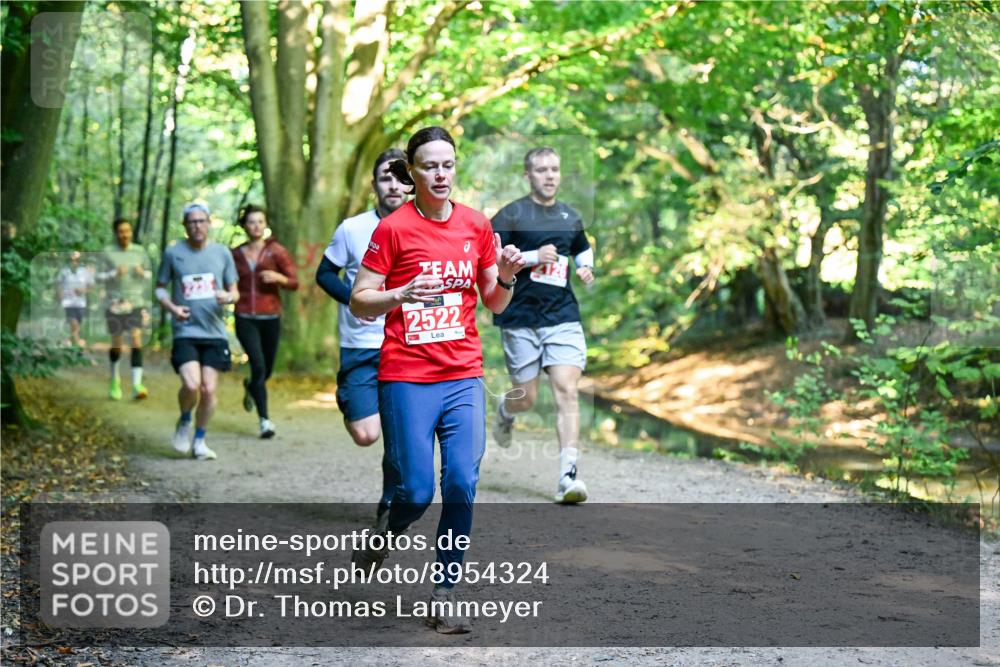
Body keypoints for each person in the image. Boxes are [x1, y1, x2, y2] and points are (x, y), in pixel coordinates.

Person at [349, 126, 524, 634]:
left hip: (463, 374)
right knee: (417, 491)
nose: (440, 174)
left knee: (463, 482)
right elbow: (360, 300)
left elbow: (495, 302)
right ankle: (387, 531)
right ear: (412, 171)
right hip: (406, 376)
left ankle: (444, 594)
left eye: (448, 164)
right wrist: (400, 293)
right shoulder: (393, 229)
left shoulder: (476, 225)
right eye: (429, 166)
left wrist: (506, 275)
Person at [491, 146, 596, 504]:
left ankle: (568, 477)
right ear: (528, 175)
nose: (550, 176)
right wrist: (533, 257)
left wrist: (586, 267)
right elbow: (488, 257)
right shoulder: (512, 214)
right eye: (541, 170)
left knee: (567, 389)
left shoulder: (570, 216)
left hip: (561, 315)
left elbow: (581, 247)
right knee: (527, 397)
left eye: (554, 169)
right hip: (519, 317)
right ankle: (506, 410)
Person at [316, 148, 407, 526]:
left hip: (405, 345)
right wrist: (354, 302)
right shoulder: (352, 229)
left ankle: (388, 502)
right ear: (374, 185)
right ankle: (351, 398)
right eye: (386, 177)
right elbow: (324, 274)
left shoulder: (424, 228)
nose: (394, 185)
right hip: (360, 345)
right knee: (366, 434)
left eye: (402, 178)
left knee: (398, 431)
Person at [155, 203, 239, 461]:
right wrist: (172, 308)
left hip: (214, 332)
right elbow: (160, 287)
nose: (197, 226)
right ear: (185, 225)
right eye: (192, 222)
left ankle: (200, 440)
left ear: (209, 223)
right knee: (191, 385)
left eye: (201, 221)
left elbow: (235, 292)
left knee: (208, 389)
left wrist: (228, 297)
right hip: (185, 329)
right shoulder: (173, 253)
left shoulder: (222, 253)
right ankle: (184, 420)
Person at [231, 205, 299, 439]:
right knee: (258, 365)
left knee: (266, 369)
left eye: (260, 221)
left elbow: (294, 282)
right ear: (244, 226)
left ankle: (252, 386)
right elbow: (225, 280)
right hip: (244, 316)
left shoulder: (276, 251)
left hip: (270, 317)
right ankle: (265, 421)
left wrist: (278, 277)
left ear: (266, 224)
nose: (256, 226)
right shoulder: (235, 254)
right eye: (251, 222)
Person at [97, 218, 152, 400]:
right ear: (116, 233)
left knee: (136, 339)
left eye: (127, 231)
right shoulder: (108, 252)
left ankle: (137, 385)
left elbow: (150, 275)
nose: (125, 235)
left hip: (135, 303)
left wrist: (143, 273)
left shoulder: (140, 251)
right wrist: (114, 274)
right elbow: (98, 277)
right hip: (114, 304)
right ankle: (115, 380)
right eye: (121, 231)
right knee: (117, 343)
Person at [56, 250, 92, 348]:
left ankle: (70, 343)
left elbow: (91, 285)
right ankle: (78, 346)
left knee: (76, 327)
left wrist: (83, 290)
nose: (74, 261)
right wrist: (60, 294)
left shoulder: (85, 271)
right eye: (72, 259)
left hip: (80, 303)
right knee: (74, 324)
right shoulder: (64, 271)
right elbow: (59, 284)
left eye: (76, 260)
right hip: (68, 302)